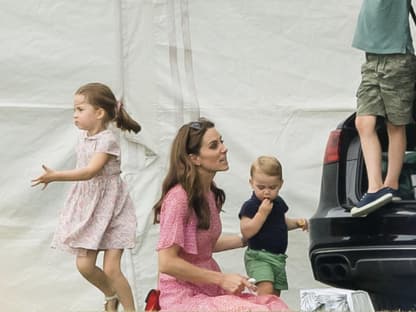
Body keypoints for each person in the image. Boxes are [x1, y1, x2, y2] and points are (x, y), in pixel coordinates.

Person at [153, 118, 290, 311]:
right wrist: (222, 278)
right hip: (184, 297)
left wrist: (250, 236)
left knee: (275, 305)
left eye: (222, 141)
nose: (224, 148)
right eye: (214, 145)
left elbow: (203, 245)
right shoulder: (178, 198)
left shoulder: (210, 193)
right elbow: (166, 262)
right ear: (195, 158)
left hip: (210, 290)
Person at [31, 82, 141, 312]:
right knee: (84, 265)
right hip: (91, 210)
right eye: (75, 110)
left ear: (99, 113)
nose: (75, 115)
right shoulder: (83, 137)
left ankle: (132, 310)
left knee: (112, 268)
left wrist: (56, 175)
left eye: (80, 109)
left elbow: (91, 170)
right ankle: (110, 294)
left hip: (113, 209)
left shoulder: (107, 140)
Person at [350, 0, 416, 217]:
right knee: (363, 122)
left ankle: (391, 184)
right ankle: (375, 187)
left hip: (397, 57)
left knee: (395, 123)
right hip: (371, 57)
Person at [238, 156, 308, 297]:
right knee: (266, 290)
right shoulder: (250, 206)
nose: (266, 192)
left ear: (280, 184)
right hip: (259, 256)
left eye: (272, 187)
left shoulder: (278, 203)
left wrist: (296, 223)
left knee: (274, 296)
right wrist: (261, 214)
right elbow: (246, 231)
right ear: (251, 183)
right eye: (261, 187)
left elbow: (280, 223)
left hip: (278, 258)